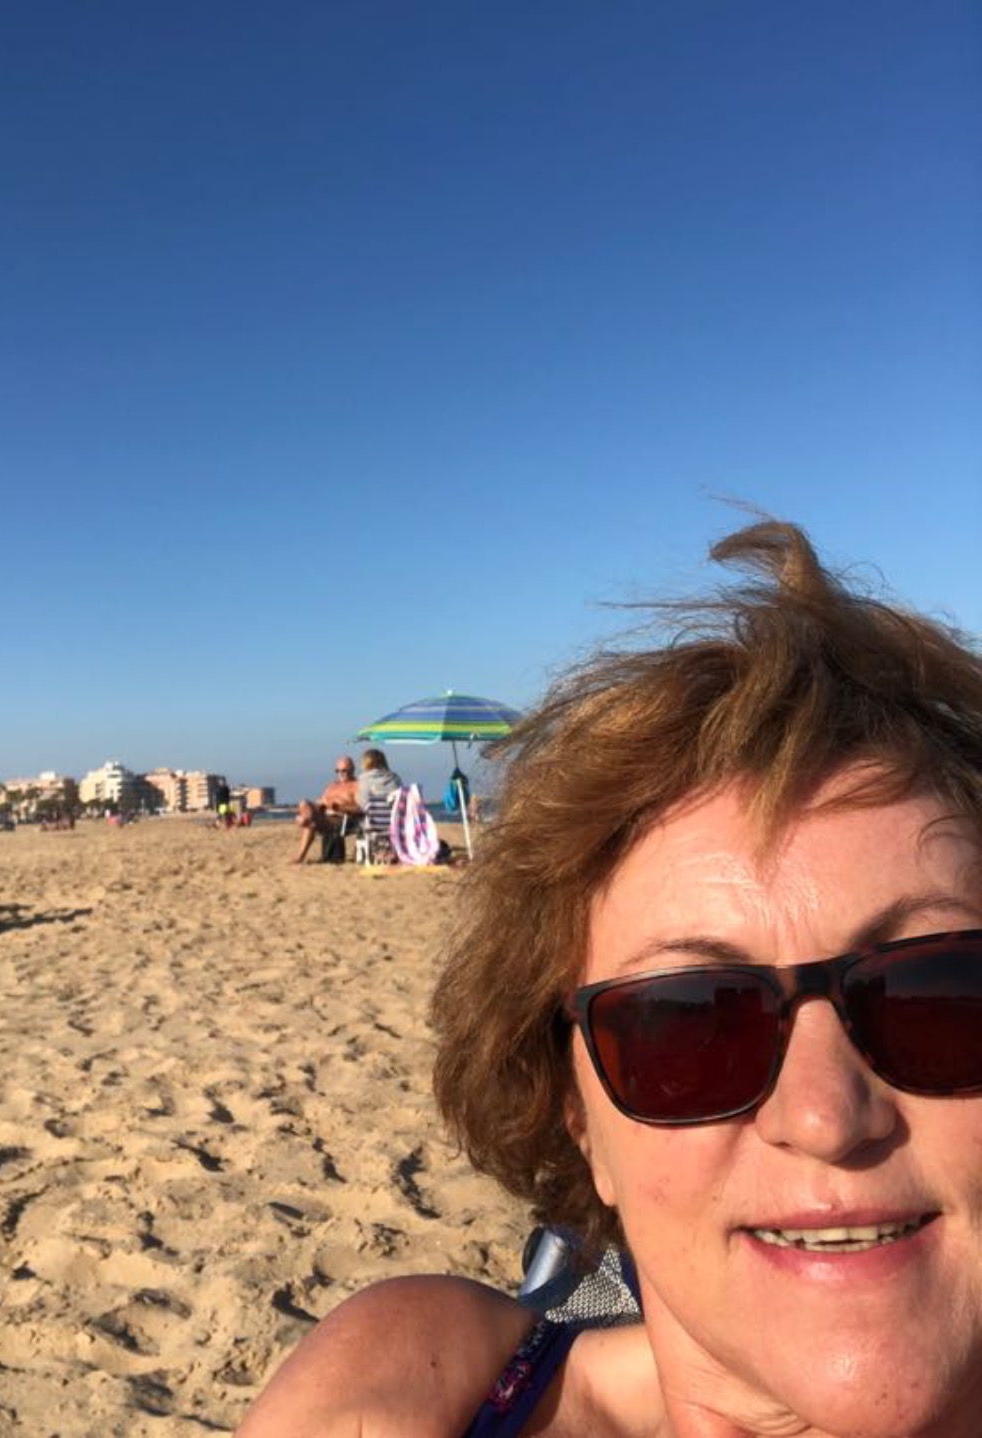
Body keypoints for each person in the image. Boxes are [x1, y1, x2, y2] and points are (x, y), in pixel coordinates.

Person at [239, 519, 982, 1438]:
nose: (826, 1118)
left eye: (937, 997)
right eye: (690, 1024)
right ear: (578, 1118)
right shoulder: (435, 1388)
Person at [290, 756, 362, 864]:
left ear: (352, 770)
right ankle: (306, 820)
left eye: (344, 770)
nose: (340, 773)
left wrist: (339, 807)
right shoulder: (332, 786)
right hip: (325, 815)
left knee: (310, 823)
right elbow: (320, 801)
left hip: (342, 819)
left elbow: (361, 808)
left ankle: (300, 854)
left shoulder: (357, 785)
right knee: (304, 803)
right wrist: (321, 805)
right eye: (337, 771)